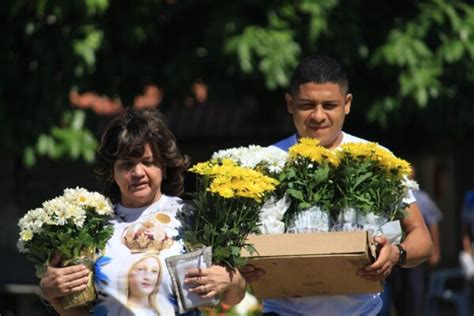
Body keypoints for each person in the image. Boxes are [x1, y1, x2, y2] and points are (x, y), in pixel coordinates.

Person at [240, 55, 433, 315]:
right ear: (289, 103)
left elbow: (421, 238)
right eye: (307, 105)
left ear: (347, 104)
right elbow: (236, 243)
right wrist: (241, 260)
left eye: (329, 105)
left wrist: (396, 254)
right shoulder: (263, 163)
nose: (318, 116)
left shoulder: (377, 159)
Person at [38, 108, 246, 315]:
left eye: (148, 162)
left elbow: (234, 295)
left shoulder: (195, 218)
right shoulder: (90, 227)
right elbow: (77, 309)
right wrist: (52, 294)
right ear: (112, 171)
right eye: (126, 164)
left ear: (164, 167)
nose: (138, 172)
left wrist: (231, 280)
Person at [380, 166, 443, 316]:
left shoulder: (422, 198)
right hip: (393, 249)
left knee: (415, 290)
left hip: (412, 251)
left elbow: (433, 224)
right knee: (397, 291)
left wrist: (435, 250)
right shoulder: (390, 195)